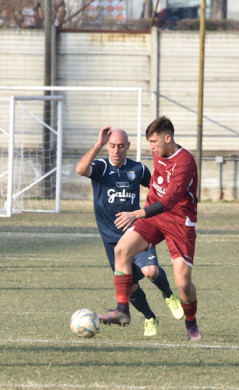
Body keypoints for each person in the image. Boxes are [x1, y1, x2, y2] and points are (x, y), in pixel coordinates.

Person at [98, 116, 202, 341]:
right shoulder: (158, 152)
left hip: (179, 223)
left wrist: (135, 213)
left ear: (168, 138)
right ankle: (122, 310)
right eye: (149, 142)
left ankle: (191, 322)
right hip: (154, 219)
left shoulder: (185, 162)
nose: (151, 147)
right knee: (121, 251)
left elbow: (169, 201)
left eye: (154, 142)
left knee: (183, 283)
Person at [76, 126, 185, 336]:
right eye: (112, 146)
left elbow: (158, 191)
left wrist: (145, 213)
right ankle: (150, 317)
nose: (116, 151)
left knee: (150, 271)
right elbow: (81, 170)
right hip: (111, 240)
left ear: (128, 146)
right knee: (131, 287)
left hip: (137, 232)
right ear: (107, 147)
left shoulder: (138, 169)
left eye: (120, 146)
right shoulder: (100, 167)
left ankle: (169, 294)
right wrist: (97, 144)